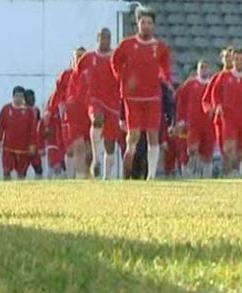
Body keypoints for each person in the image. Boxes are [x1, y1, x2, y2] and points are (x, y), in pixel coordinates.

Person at [111, 5, 171, 179]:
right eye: (143, 22)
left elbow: (165, 68)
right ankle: (128, 160)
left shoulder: (160, 47)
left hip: (153, 97)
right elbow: (115, 63)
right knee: (134, 136)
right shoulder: (127, 45)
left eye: (149, 23)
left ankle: (150, 176)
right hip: (132, 98)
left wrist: (165, 79)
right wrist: (121, 78)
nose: (146, 26)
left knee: (153, 135)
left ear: (154, 26)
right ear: (137, 24)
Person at [76, 28, 122, 179]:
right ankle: (96, 159)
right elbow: (76, 74)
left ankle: (106, 177)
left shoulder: (116, 56)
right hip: (94, 99)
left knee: (110, 145)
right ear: (97, 38)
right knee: (97, 120)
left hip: (113, 103)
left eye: (108, 37)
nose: (105, 40)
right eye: (102, 37)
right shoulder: (88, 57)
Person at [211, 49, 242, 178]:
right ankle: (229, 173)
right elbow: (215, 92)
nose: (238, 62)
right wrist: (217, 105)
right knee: (229, 148)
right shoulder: (224, 76)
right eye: (236, 59)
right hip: (229, 117)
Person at [45, 48, 87, 178]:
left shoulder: (90, 74)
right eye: (77, 57)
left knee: (86, 149)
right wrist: (50, 110)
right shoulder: (66, 75)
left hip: (87, 116)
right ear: (72, 60)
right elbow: (57, 93)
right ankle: (71, 177)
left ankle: (85, 175)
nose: (79, 59)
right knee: (70, 149)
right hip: (69, 116)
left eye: (82, 57)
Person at [175, 60, 214, 178]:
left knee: (207, 154)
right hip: (193, 123)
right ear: (197, 69)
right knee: (192, 150)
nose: (204, 70)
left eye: (206, 67)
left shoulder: (213, 84)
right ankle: (189, 174)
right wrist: (180, 120)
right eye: (201, 67)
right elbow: (181, 103)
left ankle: (207, 177)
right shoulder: (189, 85)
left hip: (209, 124)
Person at [202, 47, 233, 174]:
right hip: (222, 120)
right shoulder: (217, 78)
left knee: (241, 152)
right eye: (226, 57)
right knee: (226, 151)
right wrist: (211, 109)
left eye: (231, 56)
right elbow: (206, 99)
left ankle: (241, 176)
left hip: (241, 120)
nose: (229, 60)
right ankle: (228, 177)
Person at [0, 86, 36, 180]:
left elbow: (32, 130)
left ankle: (19, 192)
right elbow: (0, 126)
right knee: (6, 171)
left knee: (21, 174)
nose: (19, 98)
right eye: (17, 96)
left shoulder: (29, 112)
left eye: (21, 96)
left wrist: (32, 144)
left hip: (23, 148)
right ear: (13, 96)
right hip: (8, 147)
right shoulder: (6, 109)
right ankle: (6, 190)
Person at [24, 89, 44, 179]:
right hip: (24, 145)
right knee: (22, 170)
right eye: (30, 98)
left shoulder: (36, 110)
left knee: (39, 169)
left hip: (35, 145)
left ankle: (38, 187)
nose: (32, 99)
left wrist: (40, 145)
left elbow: (38, 128)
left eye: (33, 97)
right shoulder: (21, 110)